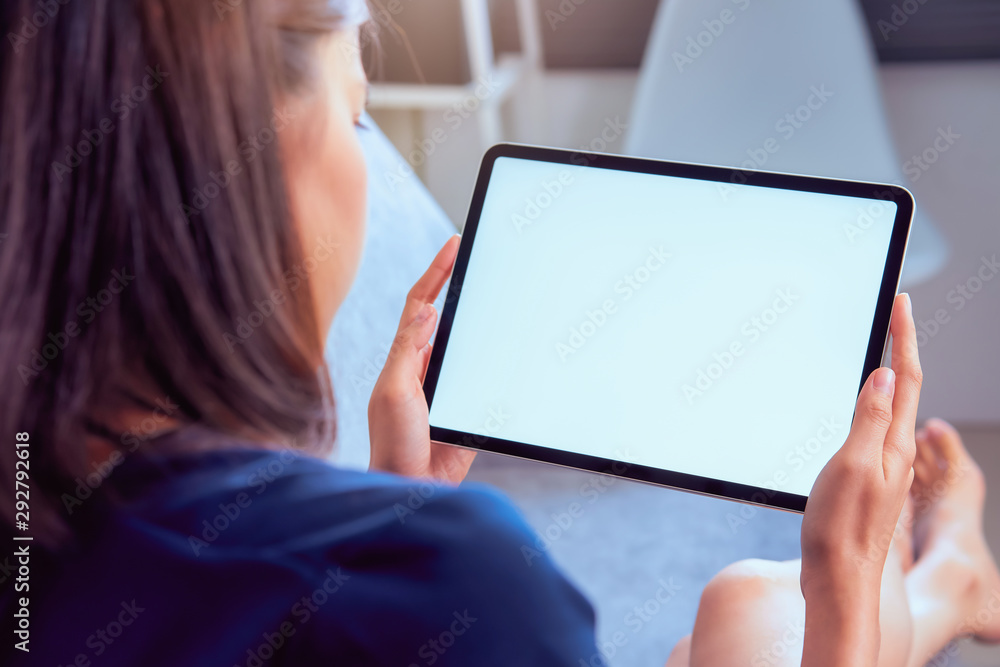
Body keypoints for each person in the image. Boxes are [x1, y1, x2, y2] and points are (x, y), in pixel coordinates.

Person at [0, 1, 995, 665]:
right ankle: (946, 578)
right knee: (758, 611)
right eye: (356, 119)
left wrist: (386, 513)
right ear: (246, 169)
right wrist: (846, 585)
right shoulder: (462, 577)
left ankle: (947, 575)